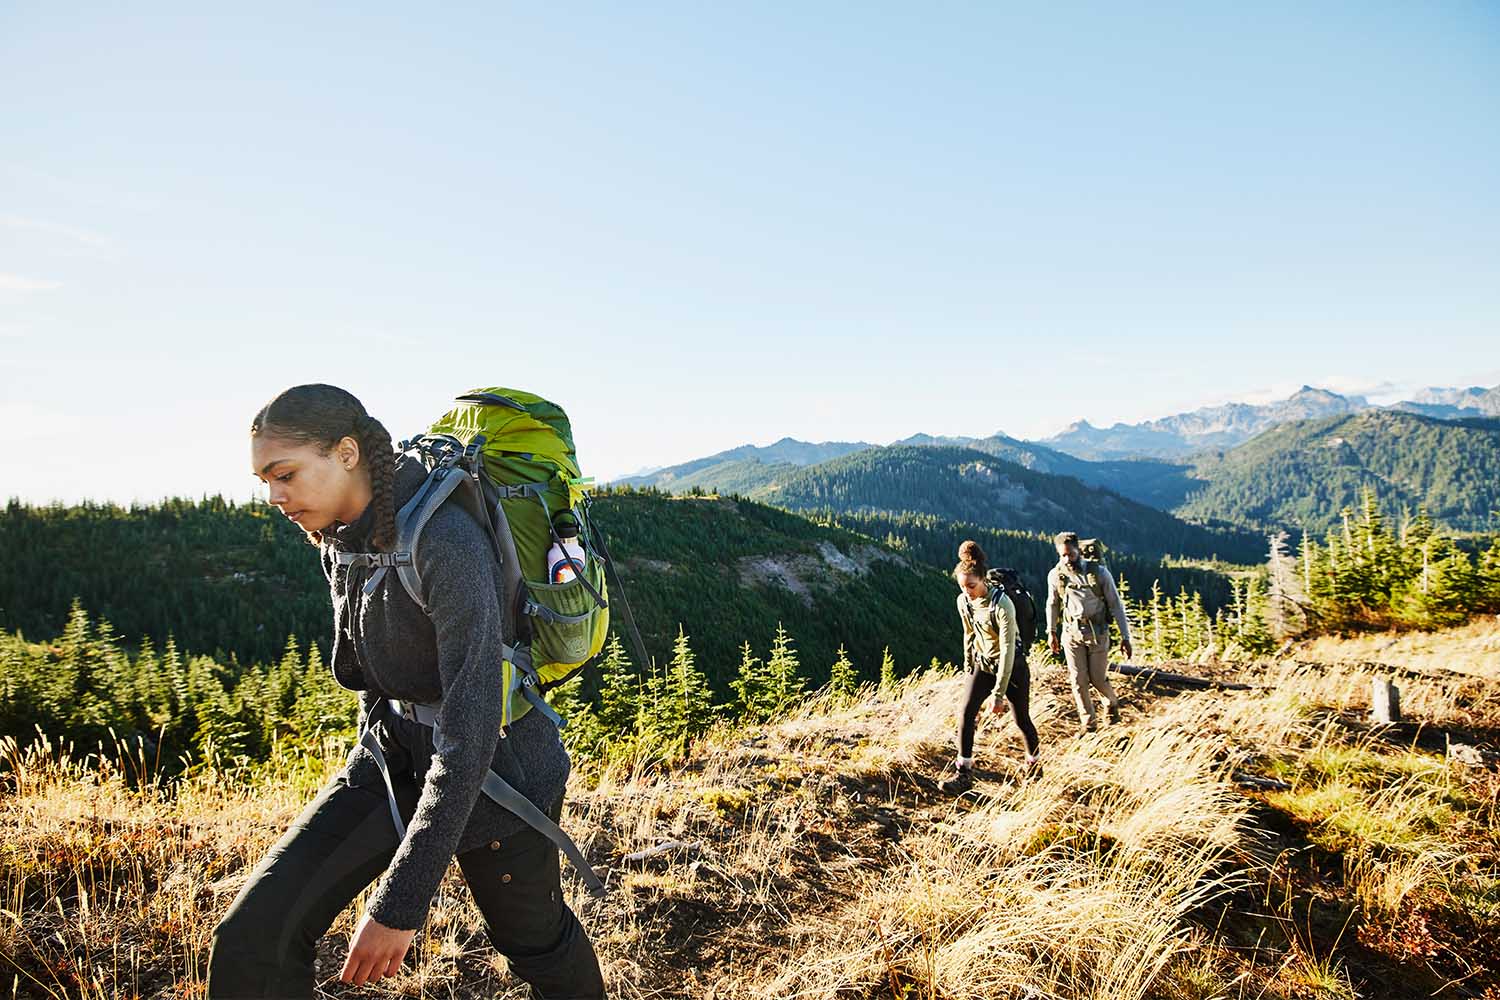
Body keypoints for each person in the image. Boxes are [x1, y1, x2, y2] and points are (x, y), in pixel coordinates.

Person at [208, 384, 604, 999]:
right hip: (392, 758)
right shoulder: (343, 537)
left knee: (535, 944)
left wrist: (399, 903)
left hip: (500, 772)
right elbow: (372, 671)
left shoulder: (444, 539)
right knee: (256, 936)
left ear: (344, 453)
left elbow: (471, 732)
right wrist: (369, 764)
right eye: (264, 479)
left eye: (284, 474)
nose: (274, 496)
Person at [938, 540, 1042, 794]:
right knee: (965, 714)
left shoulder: (1002, 604)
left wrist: (998, 693)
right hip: (982, 664)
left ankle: (1035, 768)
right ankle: (964, 773)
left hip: (1012, 666)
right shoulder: (964, 601)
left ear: (983, 580)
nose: (967, 592)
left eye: (971, 586)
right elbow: (968, 633)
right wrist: (967, 666)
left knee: (1022, 720)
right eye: (962, 587)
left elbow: (1007, 649)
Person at [1046, 531, 1133, 735]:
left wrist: (1125, 636)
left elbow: (1115, 605)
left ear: (1079, 551)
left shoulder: (1099, 573)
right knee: (1078, 680)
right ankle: (1089, 723)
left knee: (1098, 678)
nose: (1067, 559)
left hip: (1098, 632)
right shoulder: (1056, 575)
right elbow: (1052, 604)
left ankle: (1111, 702)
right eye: (1063, 555)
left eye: (1071, 554)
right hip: (1071, 633)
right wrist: (1051, 631)